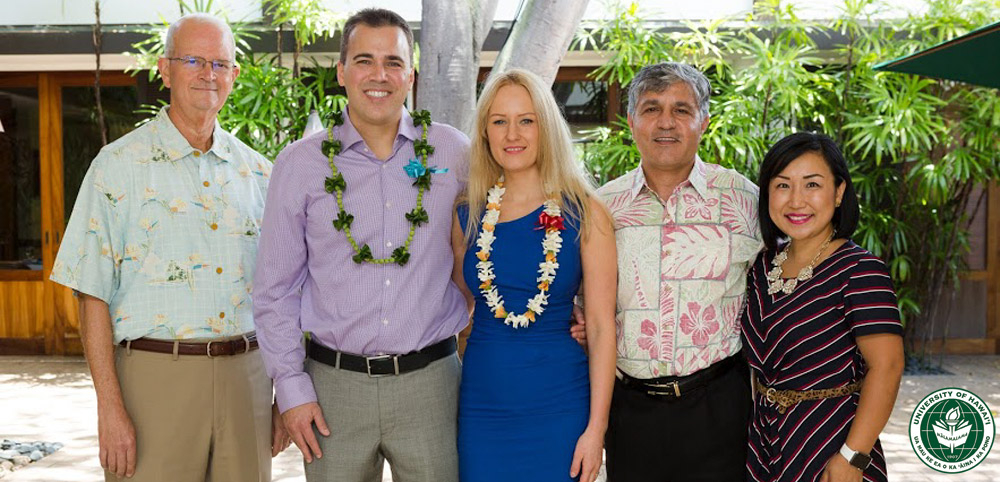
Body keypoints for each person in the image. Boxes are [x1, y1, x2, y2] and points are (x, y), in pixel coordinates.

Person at [50, 13, 285, 482]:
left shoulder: (261, 175)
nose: (208, 74)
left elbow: (286, 293)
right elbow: (90, 294)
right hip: (154, 382)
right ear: (165, 68)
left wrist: (286, 396)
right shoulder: (116, 167)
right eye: (193, 60)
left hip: (249, 383)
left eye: (220, 63)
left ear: (235, 75)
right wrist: (109, 409)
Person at [253, 8, 469, 482]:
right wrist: (291, 388)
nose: (379, 75)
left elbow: (497, 237)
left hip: (432, 384)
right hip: (332, 389)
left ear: (410, 75)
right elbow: (274, 290)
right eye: (364, 60)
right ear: (342, 71)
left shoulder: (455, 153)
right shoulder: (299, 165)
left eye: (393, 62)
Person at [595, 62, 762, 481]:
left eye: (681, 110)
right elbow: (586, 304)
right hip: (631, 411)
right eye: (651, 109)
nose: (666, 122)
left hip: (719, 407)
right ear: (631, 121)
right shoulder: (602, 207)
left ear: (703, 122)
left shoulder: (745, 201)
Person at [451, 69, 617, 482]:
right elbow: (458, 312)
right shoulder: (466, 215)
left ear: (547, 127)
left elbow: (599, 327)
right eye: (499, 121)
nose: (513, 134)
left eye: (527, 120)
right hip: (482, 408)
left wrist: (596, 431)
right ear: (485, 131)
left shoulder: (585, 212)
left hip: (560, 406)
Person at [742, 132, 904, 482]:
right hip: (765, 442)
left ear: (839, 192)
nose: (796, 201)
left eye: (812, 184)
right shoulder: (761, 266)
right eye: (783, 185)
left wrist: (853, 457)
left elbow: (888, 366)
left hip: (832, 443)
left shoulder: (860, 269)